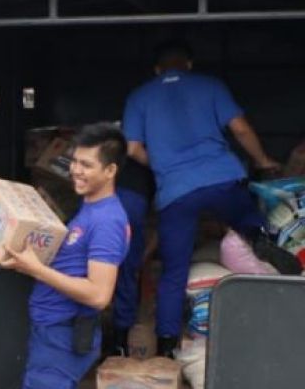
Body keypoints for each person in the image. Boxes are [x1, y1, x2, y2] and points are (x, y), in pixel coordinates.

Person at [0, 123, 129, 389]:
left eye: (86, 165)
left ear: (110, 170)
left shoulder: (108, 221)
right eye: (74, 160)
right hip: (53, 336)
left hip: (63, 339)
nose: (75, 170)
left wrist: (36, 269)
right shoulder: (88, 210)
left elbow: (98, 293)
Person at [122, 39, 298, 358]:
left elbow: (132, 149)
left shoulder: (139, 96)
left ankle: (166, 345)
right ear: (189, 64)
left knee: (175, 270)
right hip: (223, 179)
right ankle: (269, 266)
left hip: (175, 191)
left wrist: (163, 165)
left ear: (157, 69)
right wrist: (261, 160)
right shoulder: (210, 85)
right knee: (254, 227)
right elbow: (241, 129)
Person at [111, 156, 155, 356]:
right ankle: (119, 345)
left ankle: (86, 340)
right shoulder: (160, 159)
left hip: (104, 195)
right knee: (126, 276)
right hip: (133, 200)